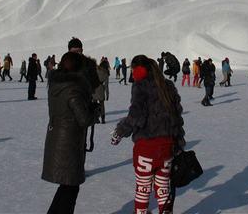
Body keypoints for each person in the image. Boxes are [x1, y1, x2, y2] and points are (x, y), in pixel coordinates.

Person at [111, 55, 185, 214]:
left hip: (146, 147)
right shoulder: (168, 86)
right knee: (163, 187)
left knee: (143, 188)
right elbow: (176, 118)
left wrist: (120, 131)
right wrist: (178, 143)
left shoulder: (140, 86)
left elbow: (136, 115)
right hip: (166, 146)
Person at [42, 51, 94, 214]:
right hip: (68, 142)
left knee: (67, 186)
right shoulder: (73, 88)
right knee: (70, 187)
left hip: (57, 138)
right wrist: (95, 110)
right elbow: (84, 118)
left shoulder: (57, 84)